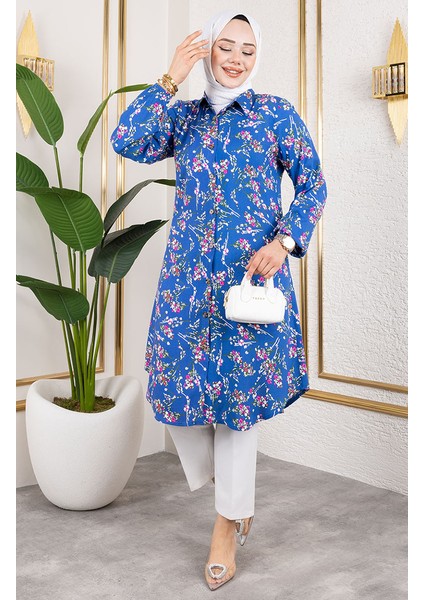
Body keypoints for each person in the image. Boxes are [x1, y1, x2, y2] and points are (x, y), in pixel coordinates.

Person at [110, 9, 327, 591]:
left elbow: (314, 183)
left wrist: (285, 242)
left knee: (237, 403)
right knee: (173, 384)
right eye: (225, 47)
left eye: (247, 51)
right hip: (187, 283)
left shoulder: (275, 114)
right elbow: (126, 139)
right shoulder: (183, 118)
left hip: (250, 281)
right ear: (206, 51)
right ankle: (234, 493)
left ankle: (226, 525)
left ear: (258, 58)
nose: (236, 59)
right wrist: (169, 78)